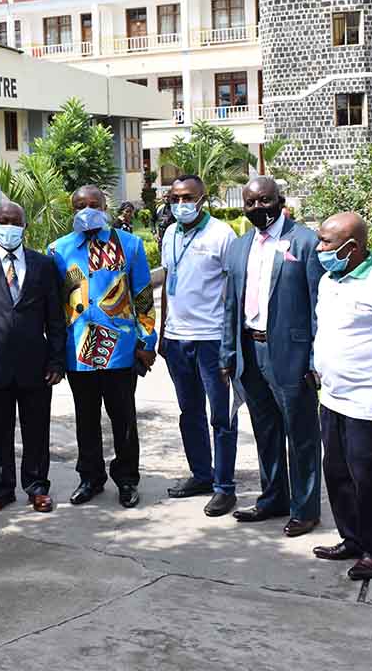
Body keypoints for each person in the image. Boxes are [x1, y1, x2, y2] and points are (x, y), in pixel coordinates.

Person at [220, 177, 324, 537]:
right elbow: (230, 304)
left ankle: (306, 508)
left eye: (265, 201)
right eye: (250, 203)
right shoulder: (239, 246)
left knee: (301, 434)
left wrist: (315, 359)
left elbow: (318, 307)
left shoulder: (306, 242)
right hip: (250, 350)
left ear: (280, 200)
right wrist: (228, 352)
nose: (258, 208)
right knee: (265, 431)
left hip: (291, 354)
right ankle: (273, 498)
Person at [311, 212, 372, 581]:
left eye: (327, 243)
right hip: (333, 398)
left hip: (371, 403)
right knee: (337, 474)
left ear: (353, 247)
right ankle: (352, 538)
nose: (319, 249)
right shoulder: (328, 280)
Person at [49, 185, 157, 508]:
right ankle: (90, 477)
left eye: (93, 203)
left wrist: (146, 341)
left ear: (104, 206)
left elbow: (143, 297)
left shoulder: (130, 246)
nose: (87, 209)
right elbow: (53, 304)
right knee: (85, 418)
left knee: (123, 418)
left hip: (121, 350)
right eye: (80, 205)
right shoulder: (58, 250)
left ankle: (126, 479)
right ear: (73, 210)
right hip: (78, 352)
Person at [0, 201, 66, 514]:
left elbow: (56, 320)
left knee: (37, 430)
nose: (9, 227)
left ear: (25, 227)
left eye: (15, 222)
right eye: (3, 221)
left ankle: (37, 487)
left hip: (36, 365)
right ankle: (2, 488)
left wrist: (56, 360)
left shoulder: (44, 266)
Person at [159, 175, 239, 517]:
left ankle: (224, 487)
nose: (180, 205)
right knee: (189, 412)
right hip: (177, 339)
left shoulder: (222, 235)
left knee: (221, 416)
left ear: (203, 199)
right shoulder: (170, 234)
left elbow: (235, 289)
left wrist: (230, 343)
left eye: (187, 198)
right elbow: (166, 282)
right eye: (175, 199)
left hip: (211, 339)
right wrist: (163, 331)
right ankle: (201, 475)